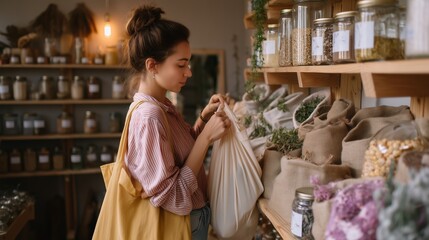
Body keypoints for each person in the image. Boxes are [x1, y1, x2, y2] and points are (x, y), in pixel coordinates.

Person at [124, 5, 231, 240]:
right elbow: (174, 197)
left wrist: (203, 120)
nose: (189, 72)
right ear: (152, 66)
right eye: (181, 65)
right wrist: (206, 138)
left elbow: (179, 159)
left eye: (188, 64)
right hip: (180, 228)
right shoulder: (149, 116)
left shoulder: (162, 106)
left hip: (192, 223)